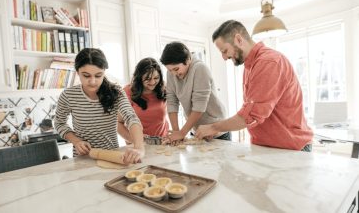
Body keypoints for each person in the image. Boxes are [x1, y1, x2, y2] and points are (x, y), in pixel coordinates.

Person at [195, 20, 313, 151]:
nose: (224, 57)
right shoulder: (250, 66)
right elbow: (249, 110)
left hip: (290, 147)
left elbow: (249, 117)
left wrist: (213, 127)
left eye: (224, 50)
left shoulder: (268, 62)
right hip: (268, 147)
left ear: (239, 39)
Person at [54, 48, 144, 164]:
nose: (92, 81)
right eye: (86, 76)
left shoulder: (116, 92)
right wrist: (76, 141)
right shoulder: (68, 95)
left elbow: (131, 117)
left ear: (104, 72)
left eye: (98, 75)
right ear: (77, 72)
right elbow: (59, 123)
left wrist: (139, 147)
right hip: (83, 158)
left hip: (113, 156)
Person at [160, 41, 231, 144]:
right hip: (196, 129)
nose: (173, 74)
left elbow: (199, 105)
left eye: (176, 69)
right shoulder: (171, 73)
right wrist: (176, 132)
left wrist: (182, 133)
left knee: (219, 160)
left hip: (215, 129)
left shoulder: (200, 69)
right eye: (170, 70)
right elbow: (172, 101)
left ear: (188, 60)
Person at [119, 57, 169, 141]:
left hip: (162, 142)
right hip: (137, 144)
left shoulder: (163, 88)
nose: (153, 82)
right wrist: (135, 140)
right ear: (139, 78)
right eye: (147, 79)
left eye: (156, 78)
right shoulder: (127, 92)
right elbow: (118, 123)